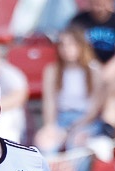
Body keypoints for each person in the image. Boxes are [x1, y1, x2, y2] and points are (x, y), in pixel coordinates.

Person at [36, 26, 102, 154]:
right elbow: (49, 102)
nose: (66, 49)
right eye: (63, 45)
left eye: (72, 45)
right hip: (61, 118)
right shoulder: (52, 71)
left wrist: (75, 128)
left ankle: (74, 168)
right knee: (44, 142)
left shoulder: (94, 70)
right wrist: (49, 126)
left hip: (85, 119)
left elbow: (94, 107)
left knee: (77, 143)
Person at [69, 0, 115, 64]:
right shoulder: (79, 20)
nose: (98, 8)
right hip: (88, 62)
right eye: (95, 3)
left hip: (112, 62)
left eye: (102, 4)